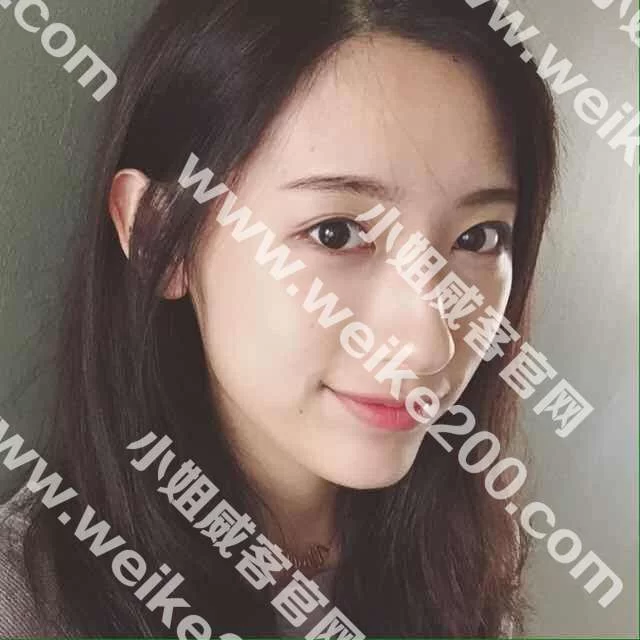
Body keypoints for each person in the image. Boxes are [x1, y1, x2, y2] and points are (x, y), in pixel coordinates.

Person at [0, 0, 558, 637]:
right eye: (336, 232)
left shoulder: (467, 546)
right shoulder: (29, 605)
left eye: (479, 237)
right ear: (159, 239)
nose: (429, 345)